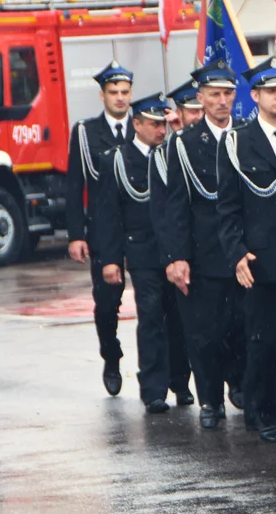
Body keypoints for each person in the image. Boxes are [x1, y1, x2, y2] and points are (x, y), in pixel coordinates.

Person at [216, 57, 276, 443]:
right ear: (255, 96)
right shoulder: (237, 142)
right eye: (272, 91)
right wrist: (236, 253)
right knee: (263, 341)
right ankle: (262, 412)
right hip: (262, 257)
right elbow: (228, 206)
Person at [163, 59, 245, 429]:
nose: (223, 101)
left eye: (229, 93)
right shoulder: (184, 144)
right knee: (205, 334)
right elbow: (176, 206)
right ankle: (211, 400)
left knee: (244, 328)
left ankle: (244, 388)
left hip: (245, 250)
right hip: (204, 251)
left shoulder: (246, 135)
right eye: (215, 94)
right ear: (201, 98)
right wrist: (178, 256)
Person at [93, 94, 178, 414]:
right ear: (137, 124)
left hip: (177, 249)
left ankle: (181, 381)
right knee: (152, 316)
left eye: (163, 124)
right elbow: (108, 215)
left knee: (181, 318)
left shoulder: (172, 154)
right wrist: (111, 259)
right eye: (154, 124)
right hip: (142, 251)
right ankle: (154, 388)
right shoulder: (117, 159)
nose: (160, 131)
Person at [65, 61, 135, 396]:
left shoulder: (145, 126)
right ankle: (111, 355)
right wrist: (76, 234)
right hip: (103, 229)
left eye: (124, 92)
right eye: (113, 92)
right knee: (107, 303)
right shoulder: (85, 132)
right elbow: (74, 184)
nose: (120, 98)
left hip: (141, 228)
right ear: (102, 95)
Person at [146, 80, 201, 408]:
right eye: (189, 111)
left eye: (198, 110)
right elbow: (165, 211)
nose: (195, 117)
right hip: (172, 249)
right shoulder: (165, 154)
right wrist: (172, 256)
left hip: (210, 247)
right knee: (171, 322)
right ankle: (170, 385)